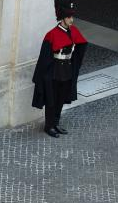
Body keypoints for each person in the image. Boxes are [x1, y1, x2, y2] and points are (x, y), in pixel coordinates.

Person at [32, 1, 88, 138]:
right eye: (69, 17)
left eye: (72, 17)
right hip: (55, 72)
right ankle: (49, 126)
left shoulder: (74, 31)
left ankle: (56, 123)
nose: (71, 20)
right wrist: (44, 76)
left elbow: (81, 45)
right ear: (62, 18)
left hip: (67, 70)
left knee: (61, 98)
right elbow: (45, 58)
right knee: (52, 99)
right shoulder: (52, 34)